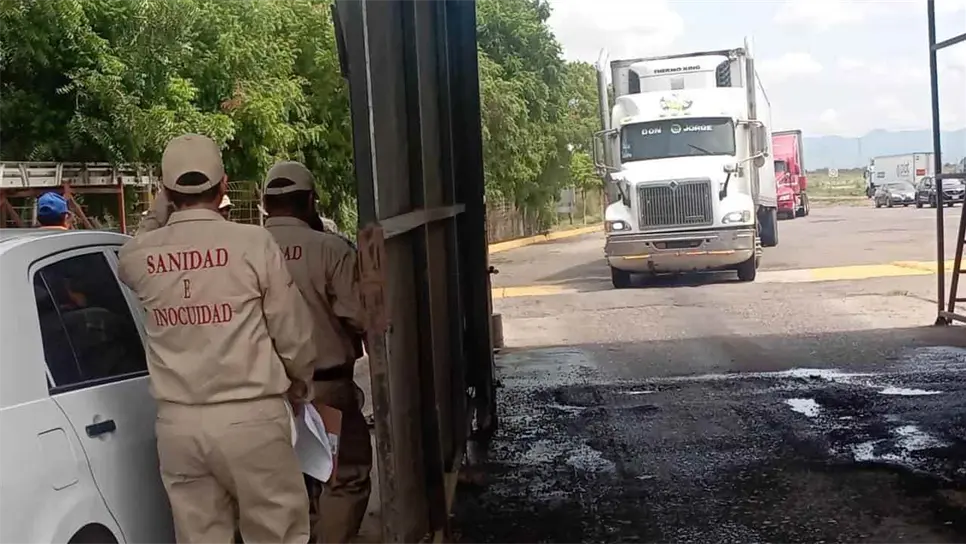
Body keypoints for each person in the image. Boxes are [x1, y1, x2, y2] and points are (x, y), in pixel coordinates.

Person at [118, 134, 318, 544]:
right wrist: (300, 383)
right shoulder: (253, 243)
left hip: (179, 426)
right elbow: (293, 334)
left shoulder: (139, 257)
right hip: (251, 418)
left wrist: (162, 207)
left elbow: (140, 240)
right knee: (277, 534)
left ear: (166, 190)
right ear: (224, 184)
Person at [262, 161, 370, 544]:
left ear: (264, 204)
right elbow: (361, 316)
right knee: (345, 479)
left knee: (284, 485)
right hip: (325, 394)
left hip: (264, 395)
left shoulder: (245, 250)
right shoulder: (329, 249)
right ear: (310, 201)